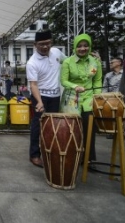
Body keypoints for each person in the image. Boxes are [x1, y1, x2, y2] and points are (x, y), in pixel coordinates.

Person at [60, 33, 102, 166]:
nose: (82, 48)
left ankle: (88, 158)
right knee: (72, 129)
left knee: (89, 129)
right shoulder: (68, 61)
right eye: (79, 46)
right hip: (71, 99)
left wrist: (96, 97)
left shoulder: (95, 62)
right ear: (75, 47)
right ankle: (71, 156)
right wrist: (74, 86)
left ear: (89, 47)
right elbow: (63, 81)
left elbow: (97, 81)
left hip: (89, 100)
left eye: (85, 46)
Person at [26, 30, 66, 168]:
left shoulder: (56, 52)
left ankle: (50, 152)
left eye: (48, 43)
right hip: (40, 96)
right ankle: (34, 155)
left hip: (55, 96)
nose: (45, 47)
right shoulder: (32, 62)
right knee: (38, 125)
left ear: (51, 43)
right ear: (35, 44)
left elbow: (69, 62)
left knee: (53, 126)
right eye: (41, 44)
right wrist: (39, 102)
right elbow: (33, 85)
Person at [102, 57, 125, 141]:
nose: (110, 63)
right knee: (112, 115)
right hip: (111, 98)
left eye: (112, 62)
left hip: (124, 98)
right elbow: (104, 87)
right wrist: (104, 97)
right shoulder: (108, 75)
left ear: (119, 63)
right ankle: (112, 132)